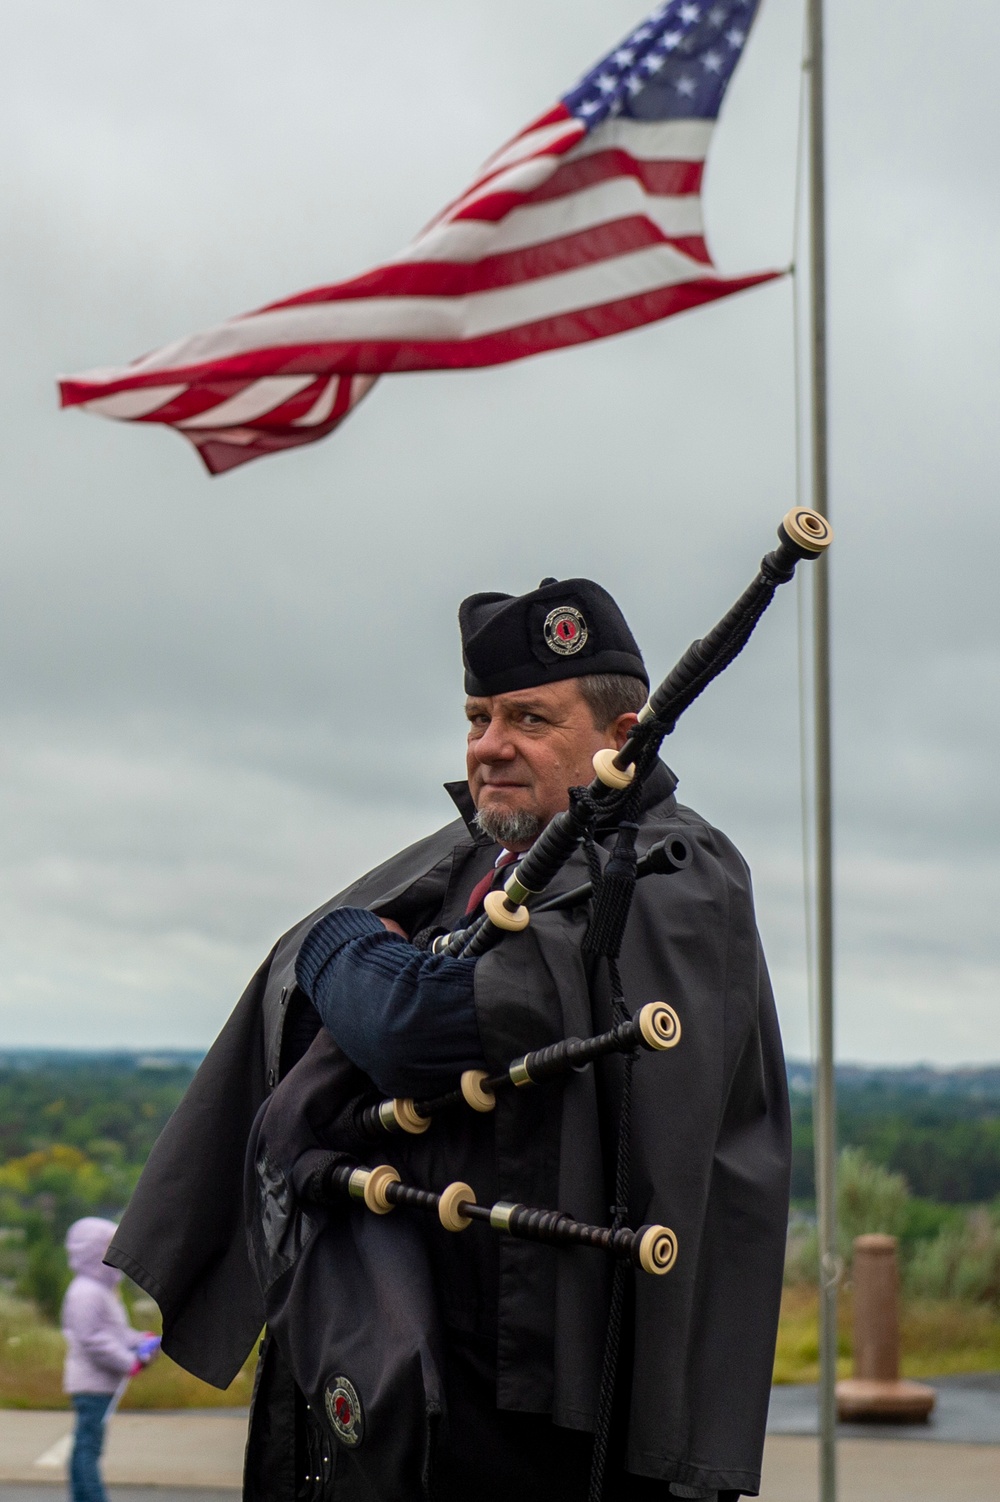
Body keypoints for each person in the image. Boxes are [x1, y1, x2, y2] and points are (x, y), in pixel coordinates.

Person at [106, 577, 791, 1502]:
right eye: (476, 719)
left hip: (563, 1397)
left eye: (529, 720)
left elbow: (421, 1024)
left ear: (621, 739)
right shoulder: (475, 862)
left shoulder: (674, 869)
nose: (489, 747)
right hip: (425, 1377)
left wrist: (332, 939)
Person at [61, 1217, 158, 1502]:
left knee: (86, 1448)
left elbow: (113, 1333)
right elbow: (93, 1340)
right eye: (108, 1246)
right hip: (92, 1386)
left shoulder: (98, 1291)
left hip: (99, 1384)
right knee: (87, 1450)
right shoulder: (86, 1292)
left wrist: (140, 1340)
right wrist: (130, 1362)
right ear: (94, 1251)